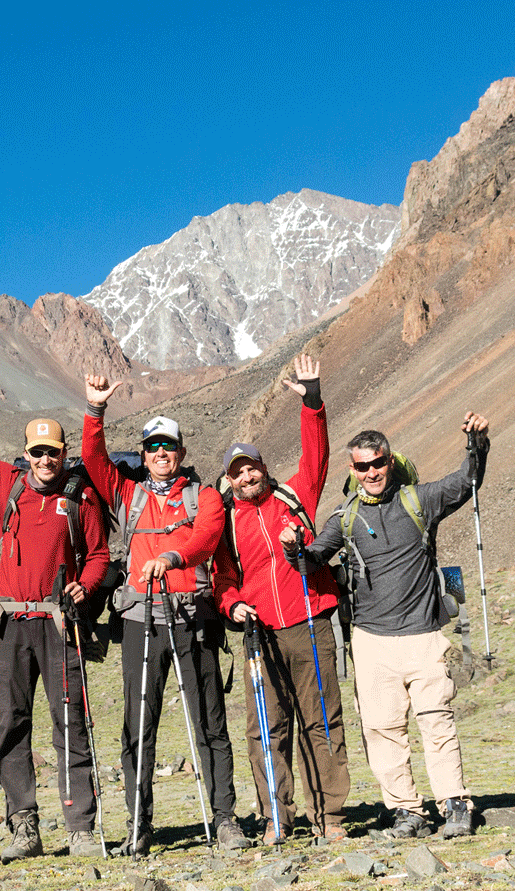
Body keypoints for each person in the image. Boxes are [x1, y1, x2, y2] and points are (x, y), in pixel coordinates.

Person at [280, 414, 489, 840]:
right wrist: (294, 549)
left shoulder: (420, 499)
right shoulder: (345, 517)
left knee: (437, 721)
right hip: (371, 642)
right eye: (362, 466)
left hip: (424, 635)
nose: (372, 472)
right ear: (352, 470)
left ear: (390, 461)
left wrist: (477, 443)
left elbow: (468, 481)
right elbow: (312, 560)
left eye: (378, 463)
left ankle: (454, 802)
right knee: (381, 730)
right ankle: (407, 811)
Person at [0, 341, 109, 862]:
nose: (43, 460)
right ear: (27, 455)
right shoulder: (5, 483)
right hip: (10, 624)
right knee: (12, 723)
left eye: (52, 452)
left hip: (61, 624)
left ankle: (80, 826)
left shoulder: (78, 497)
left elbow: (101, 554)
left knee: (70, 721)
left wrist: (88, 583)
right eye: (36, 452)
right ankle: (25, 828)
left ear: (63, 455)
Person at [82, 374, 251, 855]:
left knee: (210, 723)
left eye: (168, 446)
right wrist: (94, 413)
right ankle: (140, 824)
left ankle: (224, 818)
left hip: (192, 617)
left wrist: (173, 559)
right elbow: (94, 461)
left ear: (180, 451)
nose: (160, 453)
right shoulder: (128, 493)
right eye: (152, 446)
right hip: (140, 620)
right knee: (140, 724)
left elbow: (206, 540)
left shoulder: (206, 497)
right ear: (145, 451)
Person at [213, 354, 350, 845]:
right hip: (260, 634)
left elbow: (317, 456)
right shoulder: (226, 523)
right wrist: (233, 607)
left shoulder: (294, 497)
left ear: (265, 470)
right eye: (238, 472)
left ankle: (329, 816)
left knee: (321, 718)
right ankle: (277, 817)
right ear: (229, 480)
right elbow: (223, 582)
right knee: (267, 730)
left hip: (311, 622)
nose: (247, 477)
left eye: (252, 468)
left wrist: (312, 401)